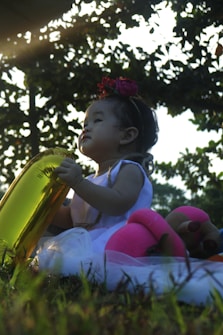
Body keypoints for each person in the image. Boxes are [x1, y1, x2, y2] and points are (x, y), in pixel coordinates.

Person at [34, 76, 159, 271]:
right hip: (86, 244)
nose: (86, 128)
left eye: (97, 120)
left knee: (81, 267)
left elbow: (117, 203)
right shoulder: (90, 180)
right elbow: (73, 220)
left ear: (127, 135)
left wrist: (78, 182)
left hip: (119, 246)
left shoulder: (129, 169)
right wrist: (44, 207)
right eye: (84, 124)